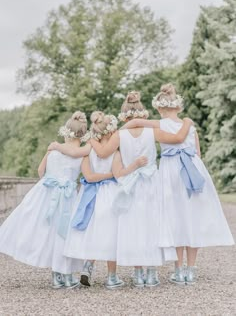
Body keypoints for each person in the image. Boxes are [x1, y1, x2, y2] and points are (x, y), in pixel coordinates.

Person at [121, 84, 235, 285]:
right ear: (179, 107)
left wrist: (118, 130)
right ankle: (190, 270)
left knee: (175, 217)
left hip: (172, 171)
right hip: (193, 170)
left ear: (159, 108)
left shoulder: (158, 125)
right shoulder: (189, 125)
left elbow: (135, 122)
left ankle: (178, 269)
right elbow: (197, 153)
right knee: (192, 217)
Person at [89, 92, 193, 287]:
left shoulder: (119, 134)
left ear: (123, 116)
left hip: (130, 184)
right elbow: (178, 139)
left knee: (134, 225)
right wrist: (187, 123)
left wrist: (90, 139)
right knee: (152, 224)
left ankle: (138, 273)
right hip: (151, 182)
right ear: (143, 114)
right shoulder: (152, 132)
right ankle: (152, 273)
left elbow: (103, 153)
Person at [50, 111, 148, 289]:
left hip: (89, 194)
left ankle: (87, 268)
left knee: (91, 231)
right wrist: (131, 167)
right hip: (109, 193)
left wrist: (57, 146)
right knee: (111, 233)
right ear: (111, 132)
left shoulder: (89, 149)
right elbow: (119, 176)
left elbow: (88, 175)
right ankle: (111, 277)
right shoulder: (116, 153)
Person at [0, 111, 91, 289]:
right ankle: (66, 274)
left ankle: (56, 277)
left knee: (48, 233)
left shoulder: (53, 150)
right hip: (67, 196)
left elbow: (41, 171)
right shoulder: (82, 154)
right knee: (64, 235)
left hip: (47, 193)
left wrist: (52, 176)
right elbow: (86, 175)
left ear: (66, 131)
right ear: (83, 134)